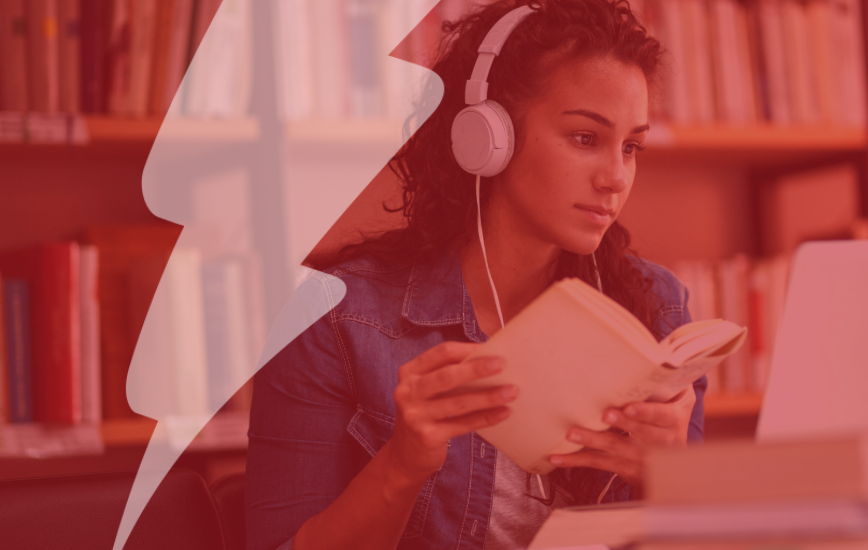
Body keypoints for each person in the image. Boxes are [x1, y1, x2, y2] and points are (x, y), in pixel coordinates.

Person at [245, 0, 707, 549]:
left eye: (631, 147)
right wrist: (402, 464)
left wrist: (671, 480)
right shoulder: (333, 319)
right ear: (488, 138)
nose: (615, 178)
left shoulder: (658, 309)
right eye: (586, 138)